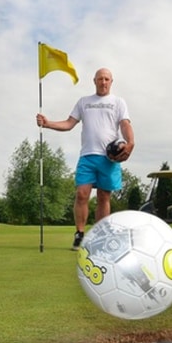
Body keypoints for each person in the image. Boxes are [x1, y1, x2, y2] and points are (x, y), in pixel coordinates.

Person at [36, 68, 135, 250]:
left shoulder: (118, 102)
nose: (103, 82)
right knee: (82, 194)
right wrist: (47, 123)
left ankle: (100, 236)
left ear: (111, 81)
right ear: (94, 81)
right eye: (100, 79)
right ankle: (80, 235)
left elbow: (125, 124)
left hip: (109, 158)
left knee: (104, 196)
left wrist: (131, 142)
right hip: (87, 156)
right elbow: (69, 123)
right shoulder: (84, 102)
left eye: (106, 79)